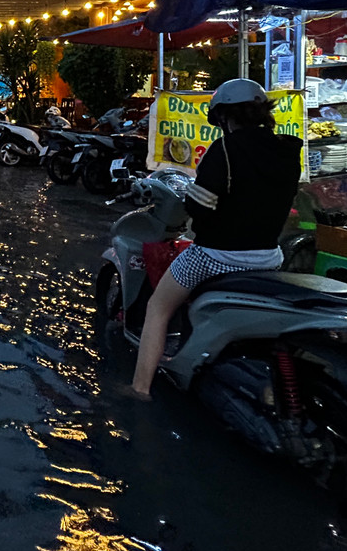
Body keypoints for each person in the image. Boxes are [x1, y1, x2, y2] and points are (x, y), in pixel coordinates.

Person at [126, 78, 303, 400]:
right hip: (269, 257)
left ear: (223, 116)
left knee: (157, 307)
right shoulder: (287, 150)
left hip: (215, 256)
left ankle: (140, 388)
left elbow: (199, 208)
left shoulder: (225, 149)